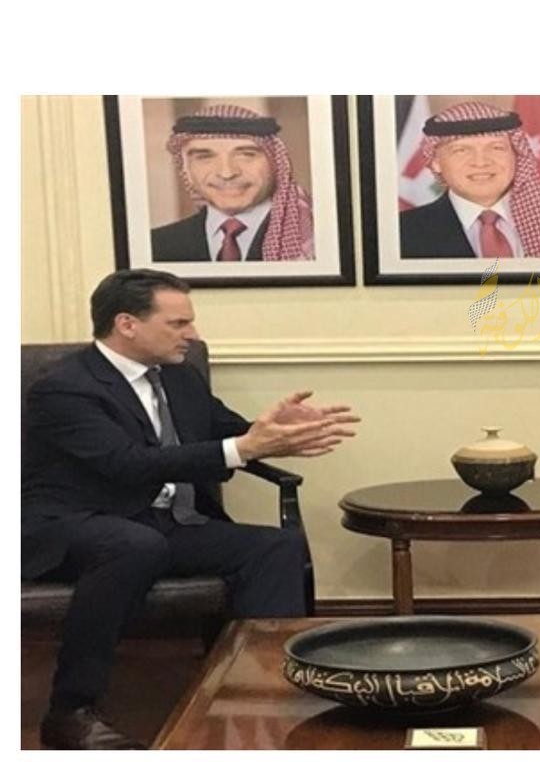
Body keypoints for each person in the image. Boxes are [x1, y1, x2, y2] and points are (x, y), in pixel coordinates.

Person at [22, 269, 359, 749]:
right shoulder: (65, 387)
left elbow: (223, 431)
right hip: (75, 523)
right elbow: (125, 464)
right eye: (178, 323)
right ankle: (70, 712)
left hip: (163, 524)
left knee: (274, 547)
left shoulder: (179, 376)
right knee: (133, 544)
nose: (193, 334)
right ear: (127, 324)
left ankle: (264, 689)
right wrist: (243, 447)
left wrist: (275, 432)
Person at [151, 104, 315, 262]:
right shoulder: (156, 245)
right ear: (186, 168)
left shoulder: (314, 239)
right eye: (204, 157)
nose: (227, 173)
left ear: (275, 163)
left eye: (246, 155)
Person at [399, 100, 540, 259]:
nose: (481, 162)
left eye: (496, 148)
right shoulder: (403, 232)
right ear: (436, 162)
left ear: (516, 154)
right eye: (461, 150)